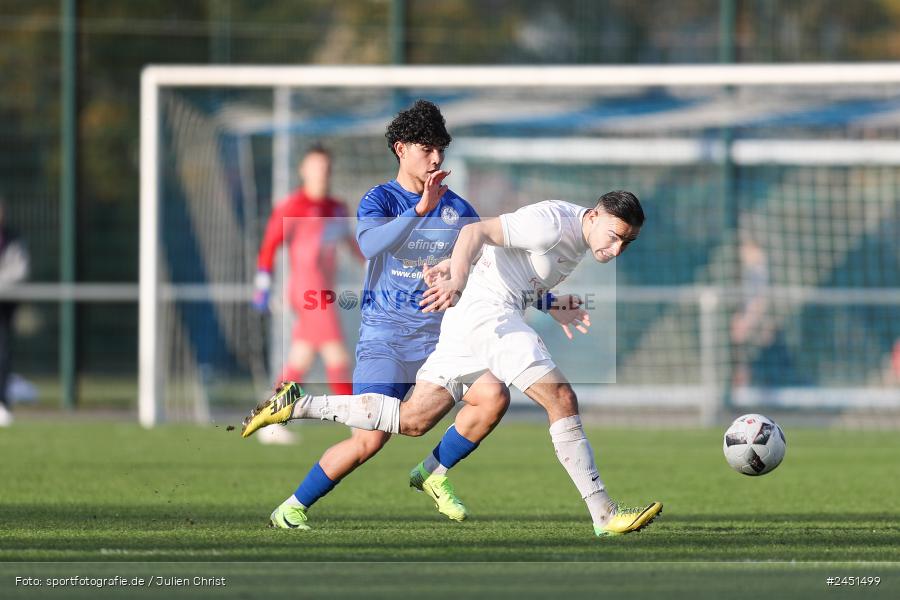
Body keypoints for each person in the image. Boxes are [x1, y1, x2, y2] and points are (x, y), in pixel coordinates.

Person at [244, 190, 663, 537]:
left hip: (471, 321)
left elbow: (516, 271)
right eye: (614, 236)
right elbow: (475, 231)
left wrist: (552, 304)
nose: (617, 248)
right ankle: (604, 513)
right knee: (560, 397)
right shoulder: (552, 223)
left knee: (412, 420)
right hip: (487, 316)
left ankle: (298, 406)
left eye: (628, 242)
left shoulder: (580, 236)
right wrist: (457, 277)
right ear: (593, 216)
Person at [244, 99, 510, 529]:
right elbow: (368, 245)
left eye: (441, 148)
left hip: (440, 343)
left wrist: (550, 304)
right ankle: (291, 506)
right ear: (401, 149)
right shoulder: (379, 199)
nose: (437, 158)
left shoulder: (458, 210)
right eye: (427, 148)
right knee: (370, 439)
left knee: (494, 394)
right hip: (385, 336)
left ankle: (434, 474)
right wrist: (419, 210)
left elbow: (494, 266)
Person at [0, 197, 29, 427]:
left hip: (4, 305)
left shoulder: (12, 238)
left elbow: (19, 270)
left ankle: (1, 403)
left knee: (3, 354)